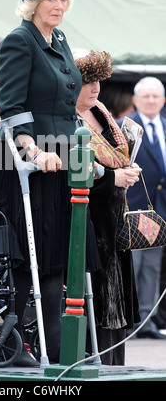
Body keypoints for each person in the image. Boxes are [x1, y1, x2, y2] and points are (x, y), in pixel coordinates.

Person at [0, 0, 95, 366]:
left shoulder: (61, 40)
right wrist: (33, 149)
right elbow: (11, 106)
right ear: (33, 2)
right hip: (23, 165)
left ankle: (56, 348)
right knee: (31, 259)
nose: (59, 7)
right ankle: (21, 344)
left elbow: (68, 105)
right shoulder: (19, 40)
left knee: (56, 261)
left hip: (63, 161)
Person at [75, 50, 141, 365]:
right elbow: (68, 174)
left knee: (117, 310)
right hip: (87, 220)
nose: (95, 88)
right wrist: (112, 179)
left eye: (99, 80)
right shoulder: (61, 118)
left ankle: (116, 365)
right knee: (94, 303)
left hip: (115, 221)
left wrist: (127, 173)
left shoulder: (101, 110)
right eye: (87, 81)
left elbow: (118, 157)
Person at [124, 76, 166, 339]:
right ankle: (130, 322)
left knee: (152, 266)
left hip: (160, 210)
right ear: (135, 100)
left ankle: (147, 320)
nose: (151, 100)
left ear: (163, 100)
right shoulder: (124, 128)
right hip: (134, 209)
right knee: (132, 265)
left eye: (155, 96)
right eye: (146, 96)